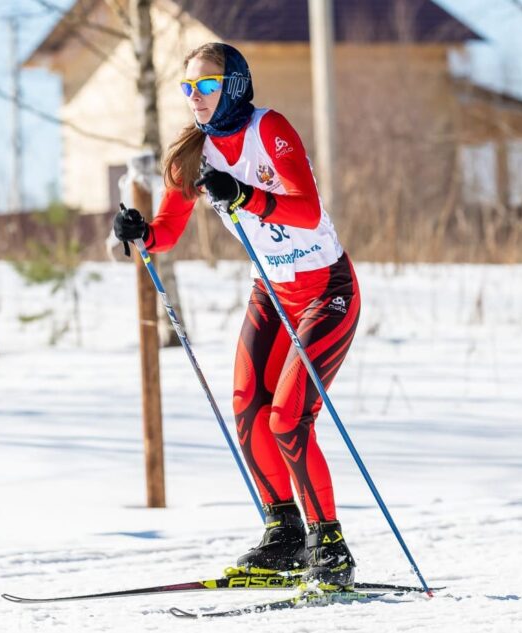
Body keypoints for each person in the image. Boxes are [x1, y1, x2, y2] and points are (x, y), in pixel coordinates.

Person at [113, 42, 360, 591]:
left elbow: (306, 208)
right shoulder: (192, 154)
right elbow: (168, 231)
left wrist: (244, 194)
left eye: (206, 85)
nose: (195, 97)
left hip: (325, 289)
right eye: (188, 88)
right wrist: (141, 233)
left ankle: (330, 545)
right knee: (250, 410)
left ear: (236, 85)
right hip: (271, 290)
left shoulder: (269, 129)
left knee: (289, 417)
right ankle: (285, 538)